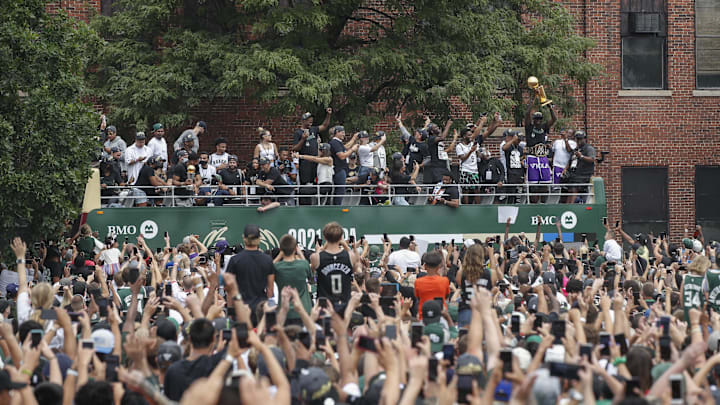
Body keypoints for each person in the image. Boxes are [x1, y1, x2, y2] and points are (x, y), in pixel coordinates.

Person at [225, 224, 275, 322]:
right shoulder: (268, 260)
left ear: (244, 238)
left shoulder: (235, 260)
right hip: (260, 309)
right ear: (259, 239)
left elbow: (229, 289)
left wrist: (231, 310)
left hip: (240, 308)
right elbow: (270, 290)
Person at [310, 222, 359, 305]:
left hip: (325, 306)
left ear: (325, 237)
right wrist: (345, 245)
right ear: (341, 237)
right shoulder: (351, 256)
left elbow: (311, 277)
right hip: (344, 305)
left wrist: (320, 249)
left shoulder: (316, 257)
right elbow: (356, 268)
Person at [273, 234, 314, 324]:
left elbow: (268, 269)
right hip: (303, 310)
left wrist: (279, 255)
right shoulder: (303, 265)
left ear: (281, 249)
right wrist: (299, 253)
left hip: (284, 312)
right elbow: (311, 279)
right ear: (295, 249)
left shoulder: (276, 267)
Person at [524, 94, 557, 203]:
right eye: (536, 119)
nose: (538, 120)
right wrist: (532, 100)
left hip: (543, 157)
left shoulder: (544, 127)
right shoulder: (529, 127)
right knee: (533, 184)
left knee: (545, 183)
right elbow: (526, 114)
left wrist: (549, 107)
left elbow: (554, 119)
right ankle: (534, 204)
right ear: (533, 120)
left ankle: (543, 204)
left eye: (540, 119)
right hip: (532, 157)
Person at [292, 109, 332, 187]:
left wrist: (328, 115)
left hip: (315, 160)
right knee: (306, 183)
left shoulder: (313, 129)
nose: (311, 120)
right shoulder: (298, 133)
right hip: (305, 162)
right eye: (309, 119)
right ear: (303, 120)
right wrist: (303, 139)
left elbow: (324, 126)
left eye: (311, 119)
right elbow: (295, 148)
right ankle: (305, 198)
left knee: (314, 183)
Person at [414, 251, 450, 319]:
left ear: (425, 266)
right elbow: (446, 296)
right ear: (439, 266)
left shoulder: (418, 282)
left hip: (423, 316)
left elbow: (418, 297)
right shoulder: (445, 280)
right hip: (440, 316)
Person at [328, 126, 359, 205]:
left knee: (340, 190)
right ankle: (337, 208)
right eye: (342, 132)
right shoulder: (335, 142)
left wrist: (354, 138)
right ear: (337, 132)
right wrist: (352, 149)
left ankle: (337, 206)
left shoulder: (338, 143)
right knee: (340, 190)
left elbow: (346, 147)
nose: (344, 134)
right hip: (339, 169)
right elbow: (342, 156)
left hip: (341, 169)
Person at [564, 130, 596, 203]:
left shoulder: (589, 148)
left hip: (583, 175)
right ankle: (567, 207)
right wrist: (565, 169)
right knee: (569, 190)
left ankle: (571, 207)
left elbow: (592, 159)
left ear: (585, 139)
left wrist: (581, 156)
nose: (578, 140)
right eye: (577, 139)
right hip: (573, 174)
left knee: (574, 189)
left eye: (580, 139)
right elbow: (570, 160)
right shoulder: (576, 149)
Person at [425, 119, 455, 185]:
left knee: (451, 183)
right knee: (439, 185)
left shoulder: (437, 139)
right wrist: (447, 126)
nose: (438, 128)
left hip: (443, 165)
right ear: (432, 131)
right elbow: (442, 137)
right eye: (435, 127)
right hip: (436, 167)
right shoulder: (431, 139)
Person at [455, 127, 481, 204]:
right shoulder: (459, 146)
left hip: (474, 170)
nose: (471, 137)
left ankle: (478, 207)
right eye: (469, 135)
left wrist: (478, 151)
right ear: (464, 136)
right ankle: (466, 207)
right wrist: (470, 151)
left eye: (471, 135)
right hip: (465, 170)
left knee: (476, 190)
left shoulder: (473, 144)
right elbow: (462, 158)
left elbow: (479, 155)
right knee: (466, 190)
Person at [550, 128, 577, 194]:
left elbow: (569, 150)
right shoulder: (557, 142)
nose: (567, 134)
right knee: (556, 187)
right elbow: (553, 152)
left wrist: (565, 139)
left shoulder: (573, 143)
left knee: (565, 188)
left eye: (570, 133)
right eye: (567, 132)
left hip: (566, 167)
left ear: (573, 136)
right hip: (556, 166)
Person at [501, 129, 525, 204]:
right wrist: (512, 140)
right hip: (511, 173)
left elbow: (521, 160)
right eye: (518, 140)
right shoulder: (509, 146)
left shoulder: (520, 148)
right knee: (511, 194)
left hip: (519, 173)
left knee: (518, 195)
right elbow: (504, 148)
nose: (519, 141)